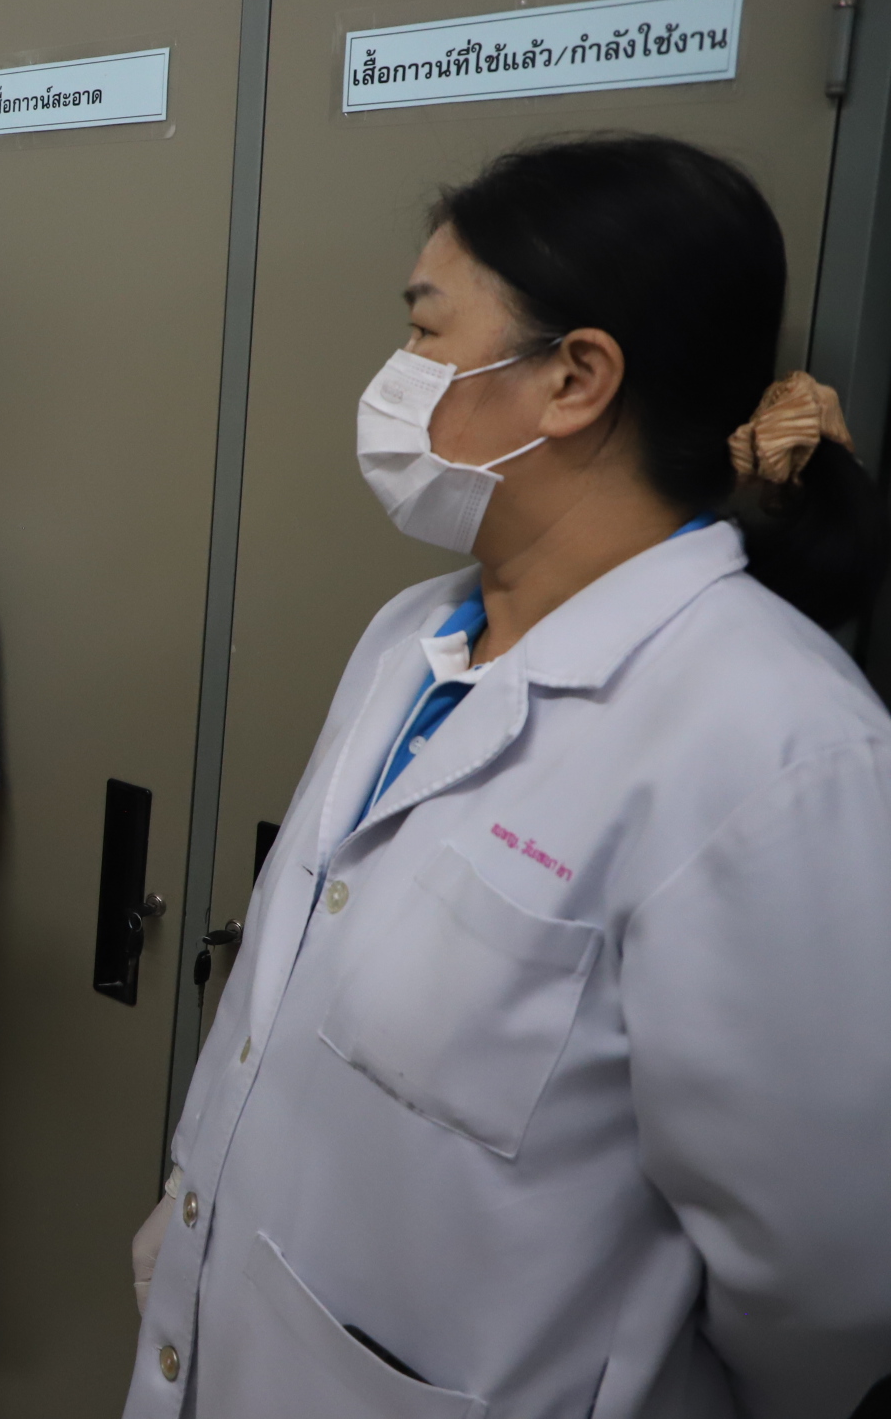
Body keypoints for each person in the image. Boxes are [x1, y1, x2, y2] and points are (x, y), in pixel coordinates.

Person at [128, 135, 891, 1417]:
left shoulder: (779, 749)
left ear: (575, 378)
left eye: (427, 331)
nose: (397, 374)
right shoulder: (416, 638)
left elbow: (828, 1283)